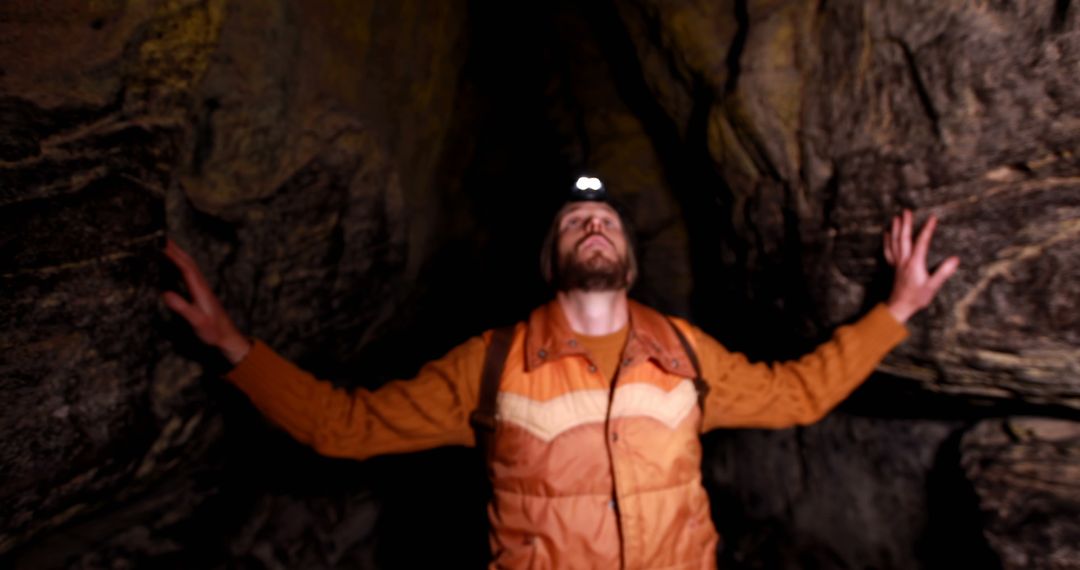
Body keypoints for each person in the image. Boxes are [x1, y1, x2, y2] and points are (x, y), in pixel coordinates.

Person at [163, 177, 959, 569]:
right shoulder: (492, 364)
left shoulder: (684, 351)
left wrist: (896, 309)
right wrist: (236, 346)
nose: (593, 224)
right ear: (553, 257)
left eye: (606, 219)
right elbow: (346, 428)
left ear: (628, 256)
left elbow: (799, 394)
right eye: (576, 221)